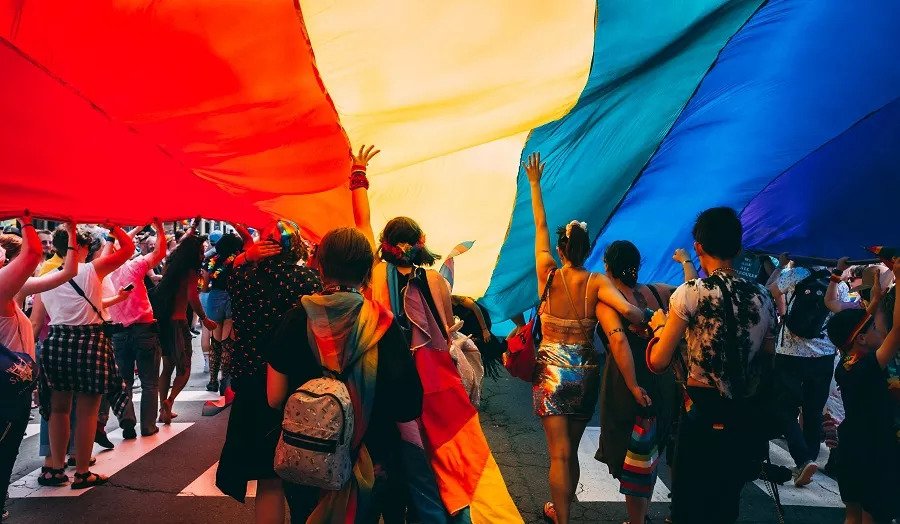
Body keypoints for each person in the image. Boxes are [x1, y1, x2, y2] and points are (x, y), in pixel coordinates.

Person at [266, 227, 424, 522]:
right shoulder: (384, 327)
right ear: (368, 271)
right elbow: (407, 407)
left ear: (320, 266)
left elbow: (275, 398)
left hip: (307, 460)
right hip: (369, 463)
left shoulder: (294, 318)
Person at [523, 152, 645, 524]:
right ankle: (562, 510)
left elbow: (541, 225)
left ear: (561, 250)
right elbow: (627, 311)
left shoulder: (548, 273)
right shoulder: (597, 282)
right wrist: (644, 319)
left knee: (557, 454)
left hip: (551, 372)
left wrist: (534, 184)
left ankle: (561, 518)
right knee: (570, 452)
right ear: (589, 250)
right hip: (585, 372)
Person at [647, 207, 778, 524]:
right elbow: (768, 358)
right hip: (742, 413)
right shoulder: (762, 296)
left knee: (689, 503)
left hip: (699, 412)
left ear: (699, 247)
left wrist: (659, 328)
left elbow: (659, 361)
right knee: (725, 501)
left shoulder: (690, 294)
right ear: (737, 247)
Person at [216, 220, 321, 524]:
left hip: (252, 383)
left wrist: (244, 257)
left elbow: (214, 279)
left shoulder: (244, 279)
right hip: (298, 385)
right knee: (306, 474)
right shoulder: (309, 280)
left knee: (268, 477)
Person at [38, 223, 134, 489]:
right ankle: (82, 471)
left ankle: (56, 469)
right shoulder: (91, 269)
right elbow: (129, 249)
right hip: (90, 340)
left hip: (56, 340)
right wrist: (112, 225)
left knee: (58, 409)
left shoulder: (47, 277)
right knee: (87, 412)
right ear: (78, 247)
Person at [594, 241, 677, 524]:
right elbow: (691, 294)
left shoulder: (609, 300)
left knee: (631, 453)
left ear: (608, 266)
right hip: (661, 376)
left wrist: (631, 385)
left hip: (627, 381)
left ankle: (636, 519)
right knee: (649, 449)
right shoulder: (659, 292)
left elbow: (618, 341)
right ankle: (641, 515)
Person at [0, 214, 74, 517]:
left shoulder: (10, 290)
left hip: (13, 387)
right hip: (5, 389)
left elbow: (66, 273)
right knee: (4, 452)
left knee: (7, 450)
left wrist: (71, 234)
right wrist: (27, 217)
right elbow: (32, 255)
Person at [824, 260, 900, 524]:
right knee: (874, 515)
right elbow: (898, 330)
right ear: (862, 339)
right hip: (875, 447)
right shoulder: (869, 366)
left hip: (851, 445)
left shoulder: (846, 365)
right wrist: (899, 281)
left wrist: (877, 299)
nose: (882, 330)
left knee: (853, 513)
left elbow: (865, 327)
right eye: (876, 329)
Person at [768, 255, 849, 485]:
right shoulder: (839, 284)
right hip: (823, 355)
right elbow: (838, 315)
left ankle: (804, 460)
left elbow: (771, 290)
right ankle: (809, 461)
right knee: (812, 411)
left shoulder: (795, 274)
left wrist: (783, 311)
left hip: (790, 353)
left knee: (784, 408)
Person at [105, 219, 167, 438]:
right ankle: (148, 426)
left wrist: (131, 230)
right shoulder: (135, 265)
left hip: (119, 332)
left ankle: (127, 420)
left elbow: (118, 247)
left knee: (125, 381)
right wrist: (159, 228)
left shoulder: (104, 271)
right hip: (144, 329)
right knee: (150, 381)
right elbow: (160, 253)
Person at [152, 233, 216, 424]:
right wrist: (204, 318)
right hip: (178, 323)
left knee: (167, 367)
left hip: (163, 323)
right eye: (201, 250)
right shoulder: (190, 271)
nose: (203, 253)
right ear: (193, 252)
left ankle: (162, 409)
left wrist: (194, 226)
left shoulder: (170, 266)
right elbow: (192, 297)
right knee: (185, 368)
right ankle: (169, 401)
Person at [199, 232, 243, 394]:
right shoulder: (239, 261)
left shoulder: (212, 261)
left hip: (215, 298)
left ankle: (212, 382)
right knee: (227, 343)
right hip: (232, 298)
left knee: (215, 342)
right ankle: (225, 381)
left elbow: (204, 285)